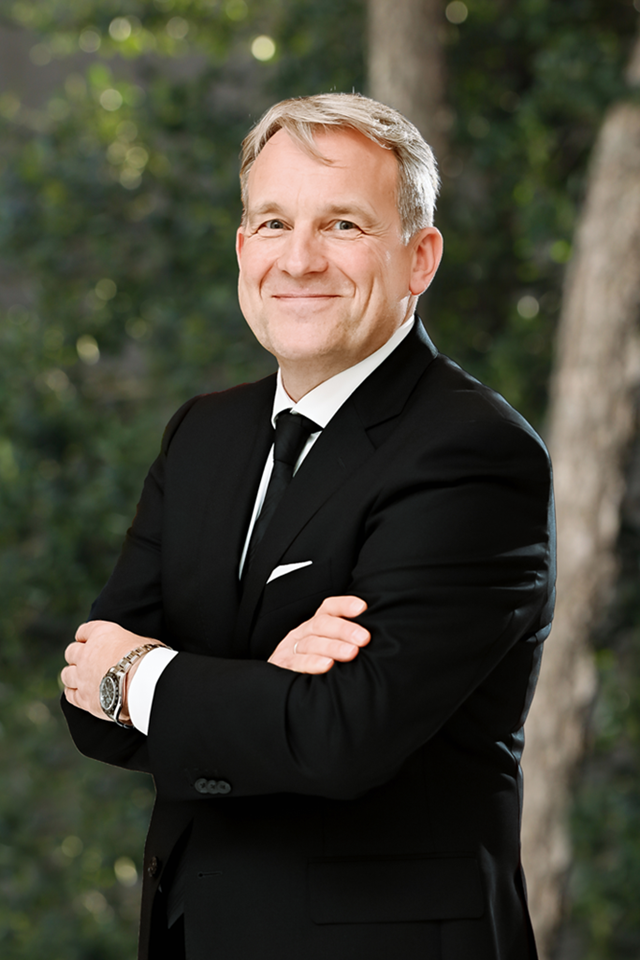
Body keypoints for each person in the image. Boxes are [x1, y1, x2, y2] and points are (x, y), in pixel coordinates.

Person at [61, 92, 555, 960]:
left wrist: (143, 680)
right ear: (243, 248)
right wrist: (265, 685)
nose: (300, 259)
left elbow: (340, 736)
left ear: (420, 257)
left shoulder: (474, 452)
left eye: (344, 227)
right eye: (274, 222)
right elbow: (86, 703)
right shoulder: (204, 435)